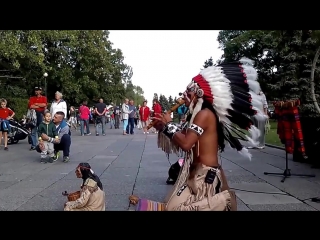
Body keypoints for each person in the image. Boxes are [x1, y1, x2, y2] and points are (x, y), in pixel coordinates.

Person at [129, 58, 265, 211]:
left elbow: (186, 143)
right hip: (195, 173)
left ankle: (224, 199)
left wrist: (168, 125)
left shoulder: (204, 115)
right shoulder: (196, 115)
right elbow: (183, 140)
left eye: (189, 91)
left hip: (206, 176)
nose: (183, 95)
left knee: (174, 209)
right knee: (171, 205)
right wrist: (163, 127)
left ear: (199, 93)